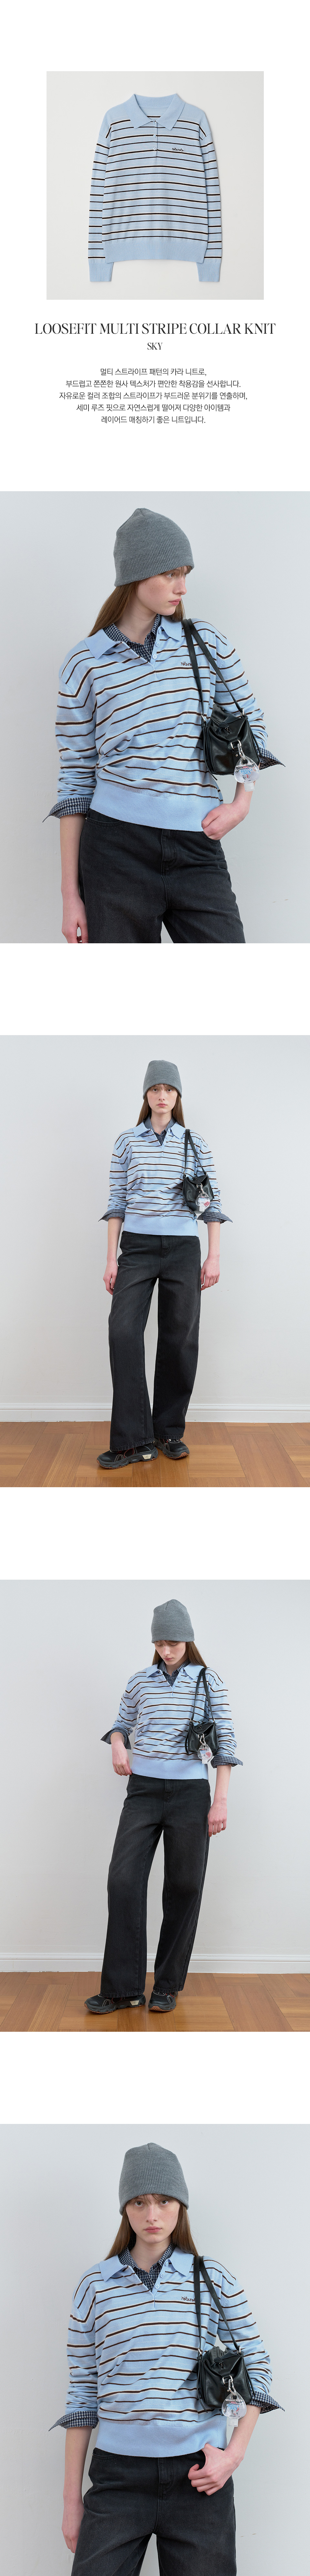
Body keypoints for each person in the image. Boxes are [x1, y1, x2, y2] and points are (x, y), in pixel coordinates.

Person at [55, 2137, 279, 2571]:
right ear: (125, 2208)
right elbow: (83, 2392)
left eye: (164, 2200)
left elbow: (258, 2364)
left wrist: (233, 2455)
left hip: (201, 2476)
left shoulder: (212, 2277)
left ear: (181, 2205)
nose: (152, 2215)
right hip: (117, 2477)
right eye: (139, 2202)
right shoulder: (95, 2286)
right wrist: (71, 2502)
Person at [49, 504, 269, 946]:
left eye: (185, 574)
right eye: (170, 574)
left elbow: (252, 727)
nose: (182, 587)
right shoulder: (84, 662)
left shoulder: (205, 642)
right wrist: (71, 896)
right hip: (115, 850)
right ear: (136, 574)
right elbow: (75, 777)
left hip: (197, 845)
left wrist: (241, 803)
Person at [85, 1594, 242, 2017]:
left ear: (188, 1640)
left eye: (173, 1642)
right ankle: (123, 1989)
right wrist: (117, 1743)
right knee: (123, 1881)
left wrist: (220, 1801)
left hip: (191, 1795)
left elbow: (226, 1744)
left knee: (185, 1886)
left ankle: (168, 1985)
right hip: (144, 1791)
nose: (166, 1650)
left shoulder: (209, 1680)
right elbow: (122, 1723)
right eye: (159, 1643)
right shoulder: (140, 1681)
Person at [97, 1055, 230, 1472]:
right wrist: (111, 1259)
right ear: (146, 1094)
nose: (162, 1095)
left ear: (177, 1096)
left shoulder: (195, 1142)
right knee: (123, 1331)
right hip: (136, 1249)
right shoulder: (127, 1142)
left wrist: (213, 1256)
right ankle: (133, 1441)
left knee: (179, 1339)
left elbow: (211, 1205)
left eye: (169, 1089)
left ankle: (168, 1431)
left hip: (183, 1249)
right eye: (155, 1088)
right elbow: (117, 1201)